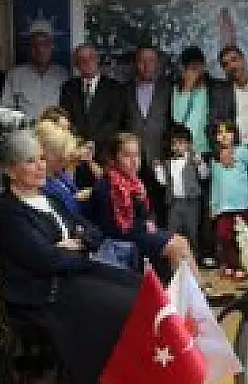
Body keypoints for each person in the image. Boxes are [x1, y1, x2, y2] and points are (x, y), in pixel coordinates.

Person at [0, 129, 141, 384]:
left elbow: (93, 231)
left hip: (74, 273)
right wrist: (77, 248)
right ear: (10, 171)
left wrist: (78, 243)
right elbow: (46, 260)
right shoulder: (7, 212)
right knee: (122, 306)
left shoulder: (50, 198)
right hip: (43, 291)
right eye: (30, 161)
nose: (40, 166)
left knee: (138, 287)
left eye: (41, 158)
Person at [86, 132, 197, 278]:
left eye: (137, 155)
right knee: (176, 246)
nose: (134, 161)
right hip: (121, 236)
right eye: (127, 156)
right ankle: (191, 291)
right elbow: (111, 227)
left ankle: (196, 289)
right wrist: (144, 225)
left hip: (138, 231)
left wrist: (148, 220)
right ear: (113, 159)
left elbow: (145, 212)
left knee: (181, 241)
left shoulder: (135, 182)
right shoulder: (106, 185)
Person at [125, 46, 173, 225]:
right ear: (136, 64)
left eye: (151, 60)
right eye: (141, 61)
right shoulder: (125, 89)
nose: (146, 65)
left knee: (163, 207)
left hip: (161, 156)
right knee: (136, 206)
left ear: (157, 63)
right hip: (133, 158)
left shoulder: (169, 89)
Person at [59, 44, 130, 161]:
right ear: (76, 64)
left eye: (91, 57)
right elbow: (65, 118)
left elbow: (115, 121)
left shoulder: (115, 88)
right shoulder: (68, 88)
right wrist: (80, 144)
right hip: (76, 153)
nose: (87, 62)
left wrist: (93, 142)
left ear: (98, 59)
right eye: (82, 59)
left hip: (105, 154)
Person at [153, 124, 208, 257]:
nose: (177, 146)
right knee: (173, 232)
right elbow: (163, 182)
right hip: (174, 202)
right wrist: (158, 169)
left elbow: (204, 175)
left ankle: (193, 259)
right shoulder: (168, 162)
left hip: (191, 202)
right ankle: (175, 260)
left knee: (192, 232)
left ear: (188, 144)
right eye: (174, 143)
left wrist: (200, 164)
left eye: (181, 143)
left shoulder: (194, 159)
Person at [209, 123, 248, 273]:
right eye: (220, 132)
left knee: (243, 237)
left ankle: (244, 266)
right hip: (224, 206)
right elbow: (215, 183)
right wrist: (213, 205)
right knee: (224, 236)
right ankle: (231, 264)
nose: (224, 135)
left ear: (235, 134)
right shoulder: (215, 159)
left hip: (243, 204)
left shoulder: (243, 152)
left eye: (228, 132)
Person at [0, 31, 68, 119]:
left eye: (45, 45)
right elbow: (6, 107)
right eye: (35, 46)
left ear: (52, 48)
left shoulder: (63, 74)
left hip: (54, 125)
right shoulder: (15, 74)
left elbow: (69, 107)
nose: (40, 50)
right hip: (25, 126)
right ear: (29, 49)